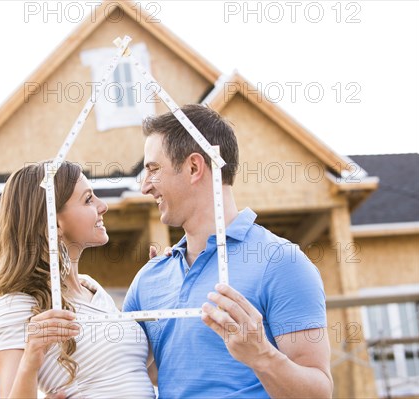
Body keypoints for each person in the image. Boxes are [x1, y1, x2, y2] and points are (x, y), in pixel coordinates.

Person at [123, 104, 333, 398]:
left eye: (154, 170)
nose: (145, 186)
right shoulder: (149, 279)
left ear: (194, 167)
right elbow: (127, 374)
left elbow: (318, 393)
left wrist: (262, 355)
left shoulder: (281, 262)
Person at [0, 161, 155, 398]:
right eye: (88, 200)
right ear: (54, 223)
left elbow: (130, 371)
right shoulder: (16, 306)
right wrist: (31, 356)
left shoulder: (91, 288)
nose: (103, 206)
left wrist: (162, 281)